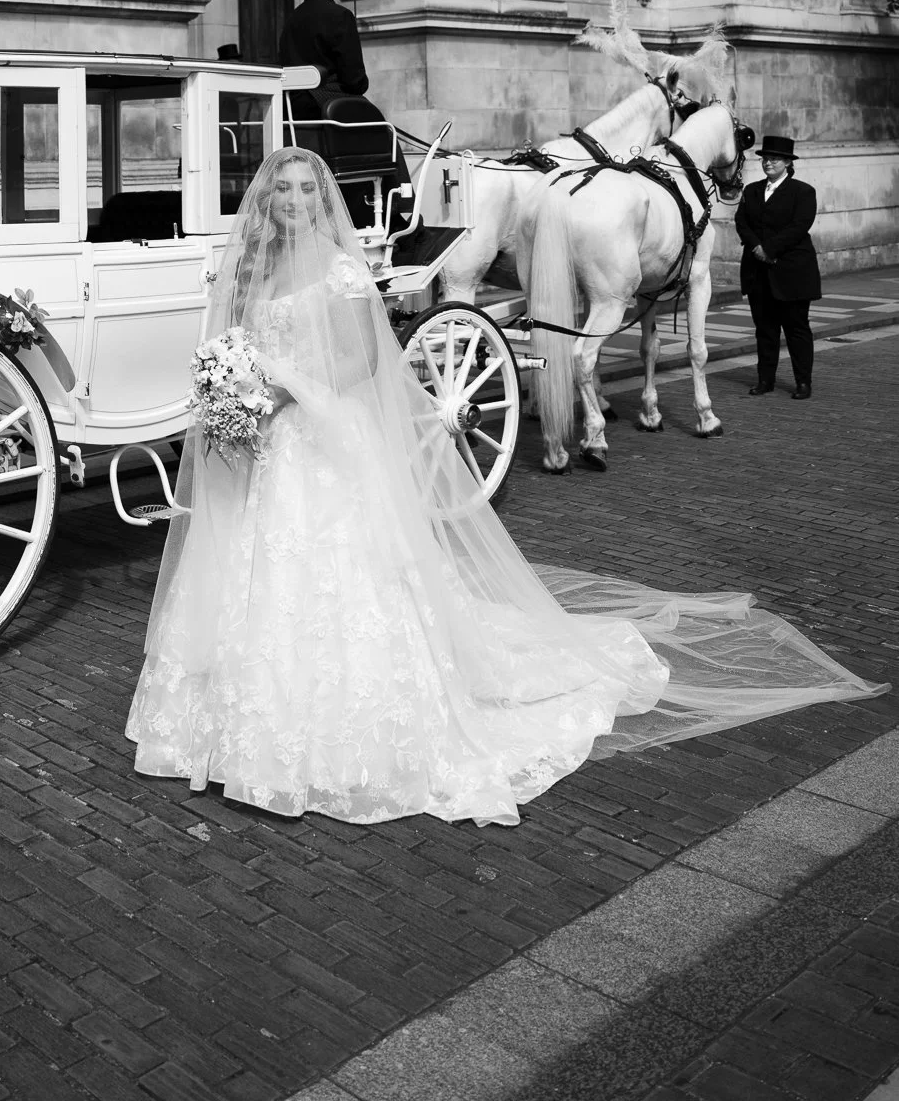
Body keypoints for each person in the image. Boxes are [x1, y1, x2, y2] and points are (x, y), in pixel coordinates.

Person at [127, 149, 879, 827]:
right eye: (281, 189)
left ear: (322, 200)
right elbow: (245, 345)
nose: (292, 199)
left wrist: (281, 394)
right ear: (267, 201)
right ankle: (243, 729)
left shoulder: (341, 268)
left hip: (321, 436)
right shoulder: (258, 270)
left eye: (304, 188)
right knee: (262, 574)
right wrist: (238, 390)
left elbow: (360, 361)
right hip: (275, 445)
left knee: (340, 576)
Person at [735, 131, 821, 401]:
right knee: (765, 329)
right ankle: (765, 380)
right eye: (765, 159)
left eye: (774, 159)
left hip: (792, 271)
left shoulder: (803, 192)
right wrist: (757, 248)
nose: (768, 163)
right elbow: (742, 223)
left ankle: (803, 382)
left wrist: (769, 249)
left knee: (796, 329)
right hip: (758, 271)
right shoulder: (751, 190)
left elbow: (799, 226)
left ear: (787, 163)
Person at [277, 0, 368, 115]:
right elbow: (354, 81)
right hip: (327, 106)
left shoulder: (292, 18)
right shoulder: (340, 15)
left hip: (291, 109)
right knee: (387, 136)